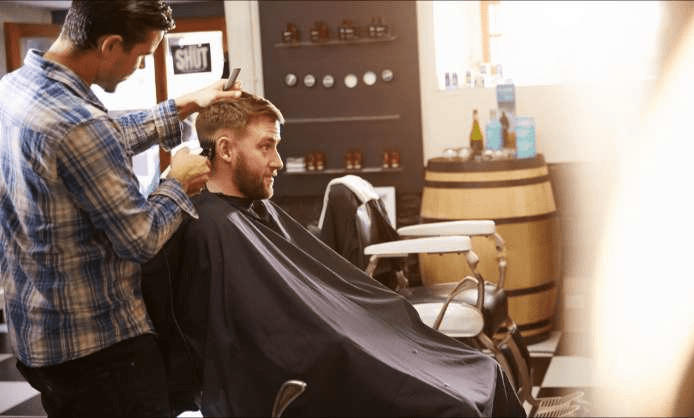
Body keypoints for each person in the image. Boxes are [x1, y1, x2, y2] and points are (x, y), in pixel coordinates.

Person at [140, 92, 525, 417]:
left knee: (481, 369)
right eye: (266, 146)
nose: (277, 161)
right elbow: (251, 339)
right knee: (457, 402)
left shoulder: (249, 210)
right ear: (224, 149)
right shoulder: (211, 226)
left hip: (338, 343)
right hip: (311, 364)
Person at [0, 1, 241, 416]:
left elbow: (92, 145)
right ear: (111, 45)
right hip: (101, 350)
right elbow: (141, 239)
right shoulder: (80, 123)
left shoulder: (15, 88)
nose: (142, 67)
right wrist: (176, 183)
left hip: (40, 338)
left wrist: (182, 105)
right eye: (142, 56)